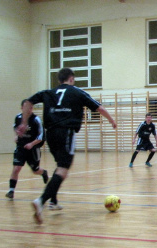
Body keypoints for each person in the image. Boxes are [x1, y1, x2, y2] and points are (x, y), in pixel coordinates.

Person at [16, 68, 117, 224]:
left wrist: (23, 123)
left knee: (59, 168)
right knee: (63, 170)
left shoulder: (49, 92)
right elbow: (99, 108)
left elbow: (28, 102)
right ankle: (41, 200)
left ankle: (53, 202)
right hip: (66, 133)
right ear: (71, 78)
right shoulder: (76, 92)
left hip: (50, 134)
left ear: (59, 80)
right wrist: (111, 120)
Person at [6, 99, 49, 201]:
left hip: (33, 149)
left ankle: (43, 173)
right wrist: (17, 135)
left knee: (35, 170)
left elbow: (41, 136)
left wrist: (31, 144)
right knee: (16, 168)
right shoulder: (18, 117)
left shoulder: (36, 120)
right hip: (21, 148)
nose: (28, 109)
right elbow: (15, 128)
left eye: (30, 107)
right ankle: (11, 191)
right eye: (26, 107)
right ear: (22, 108)